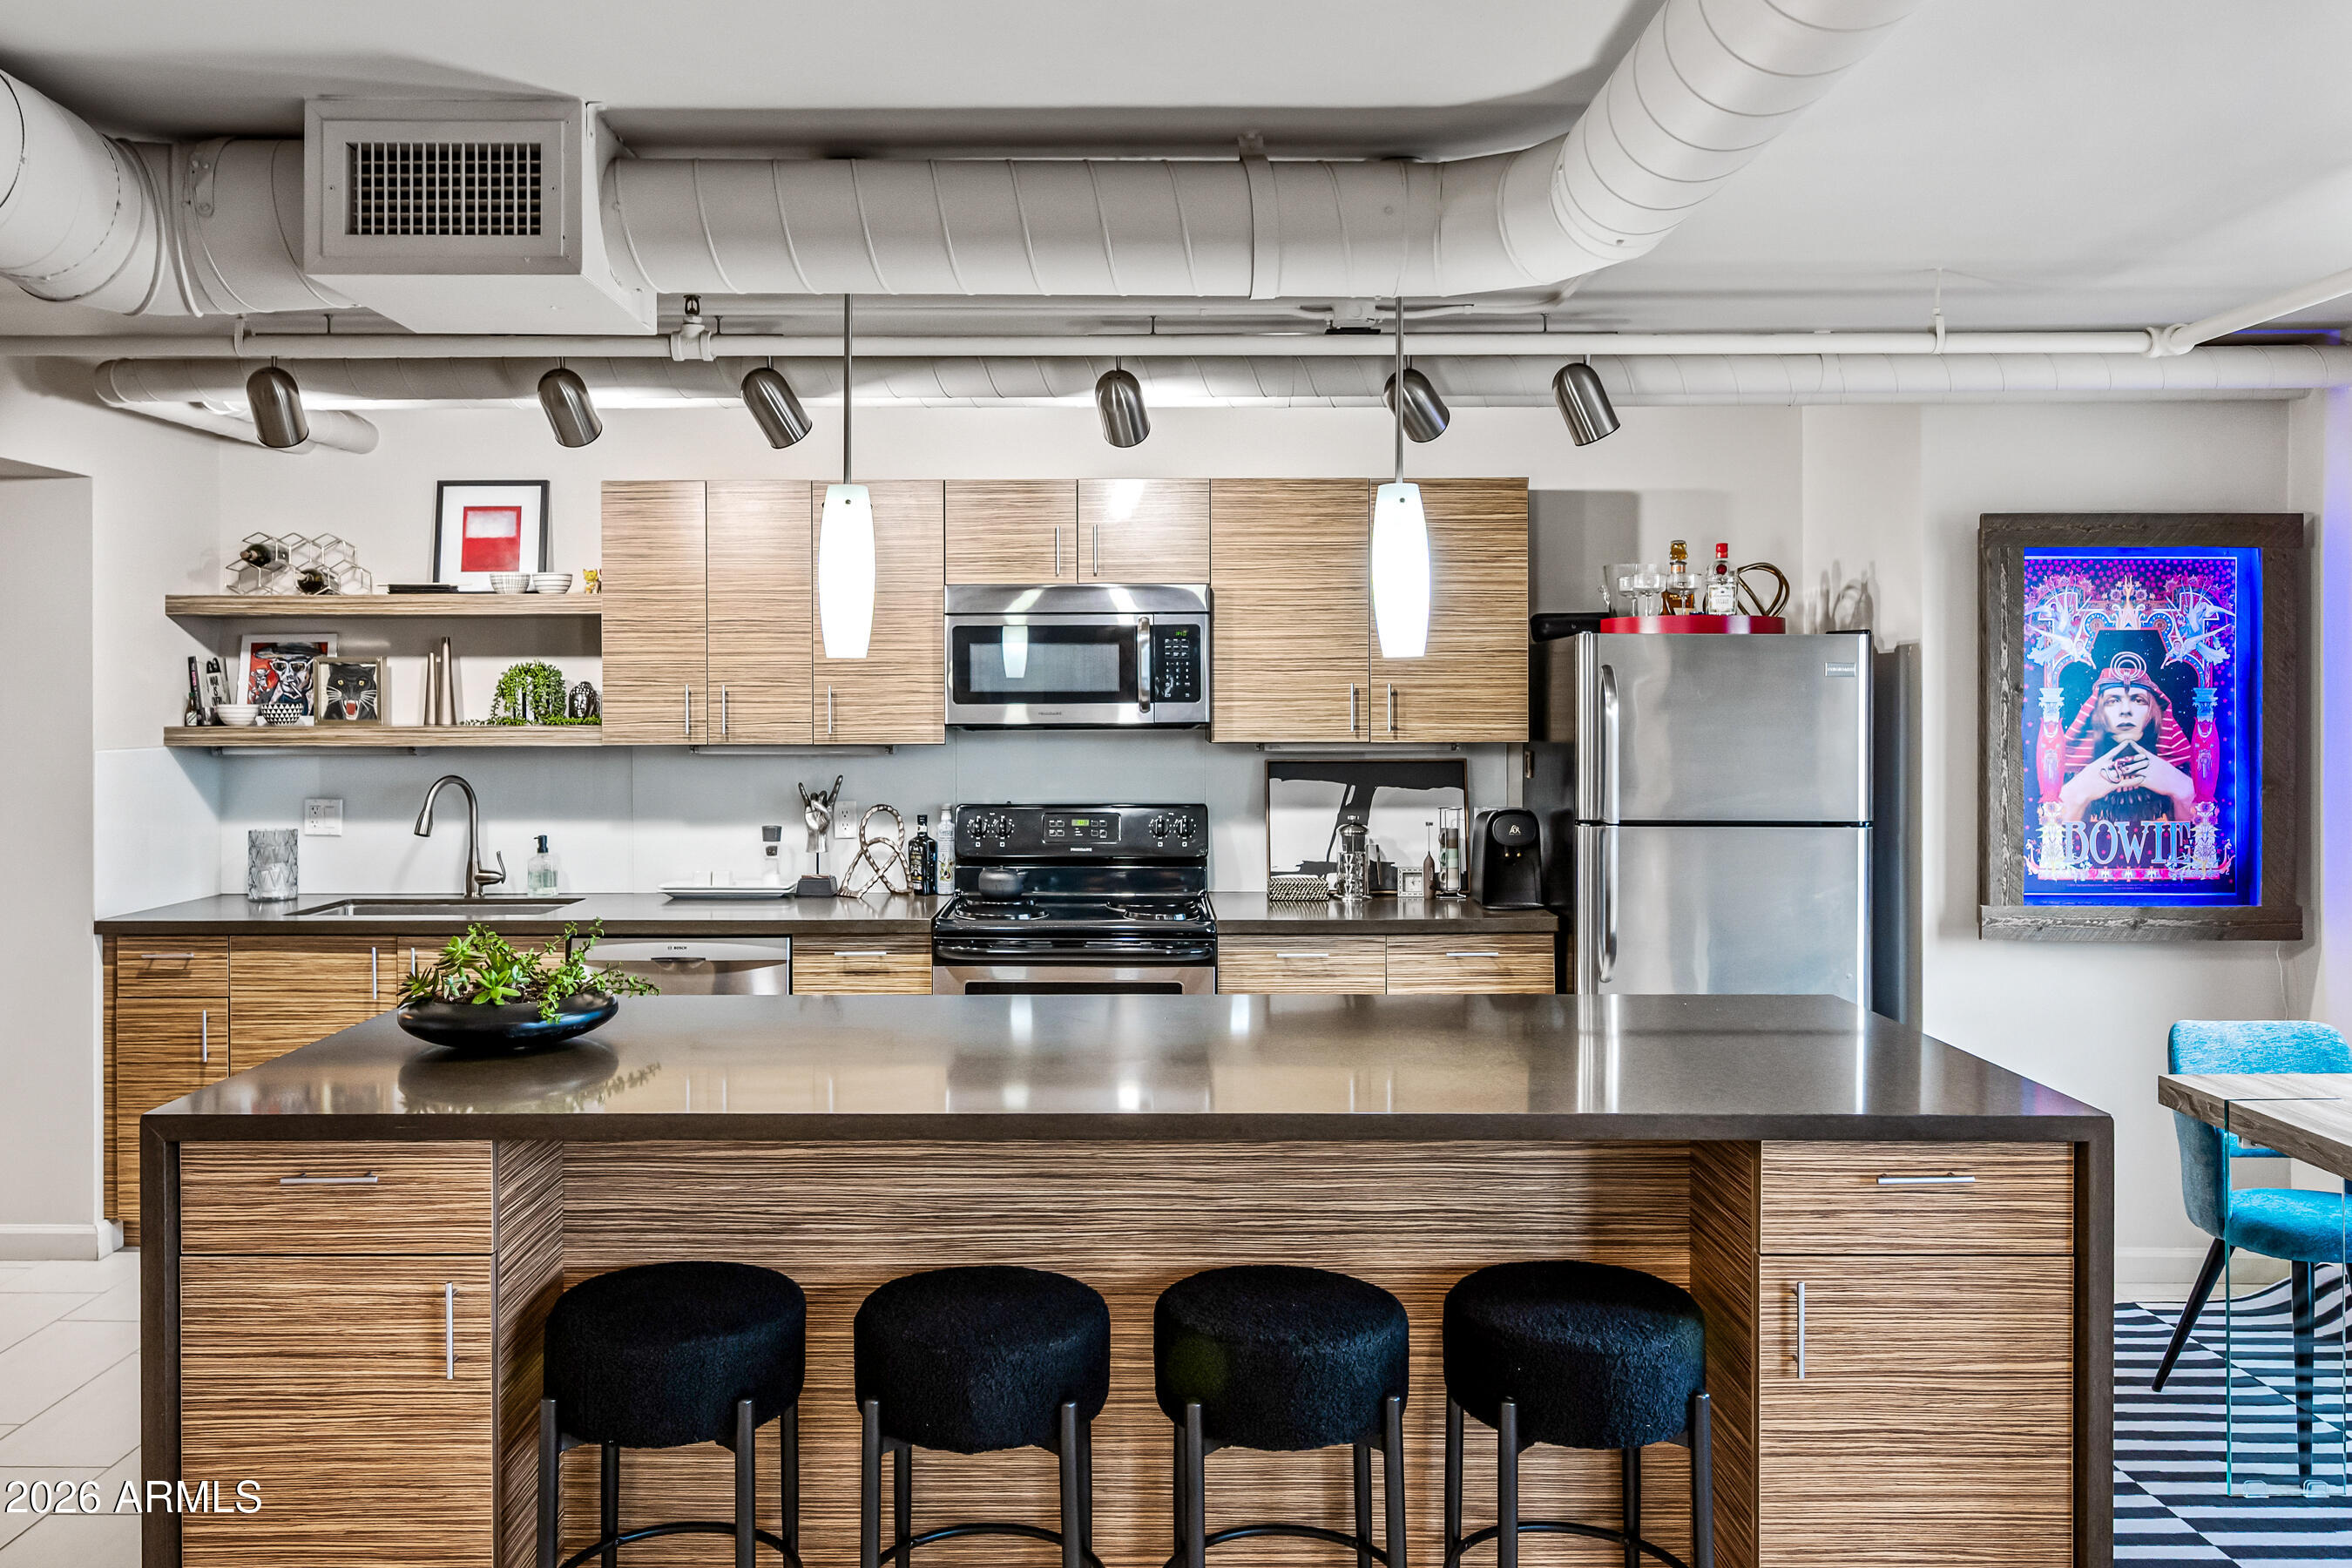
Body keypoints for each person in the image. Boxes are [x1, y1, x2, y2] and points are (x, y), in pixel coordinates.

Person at [2054, 650, 2196, 824]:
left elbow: (2196, 842)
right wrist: (2075, 795)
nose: (2125, 711)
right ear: (2097, 712)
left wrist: (2183, 789)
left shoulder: (2181, 772)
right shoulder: (2068, 776)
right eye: (2113, 701)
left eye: (2138, 700)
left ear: (2153, 712)